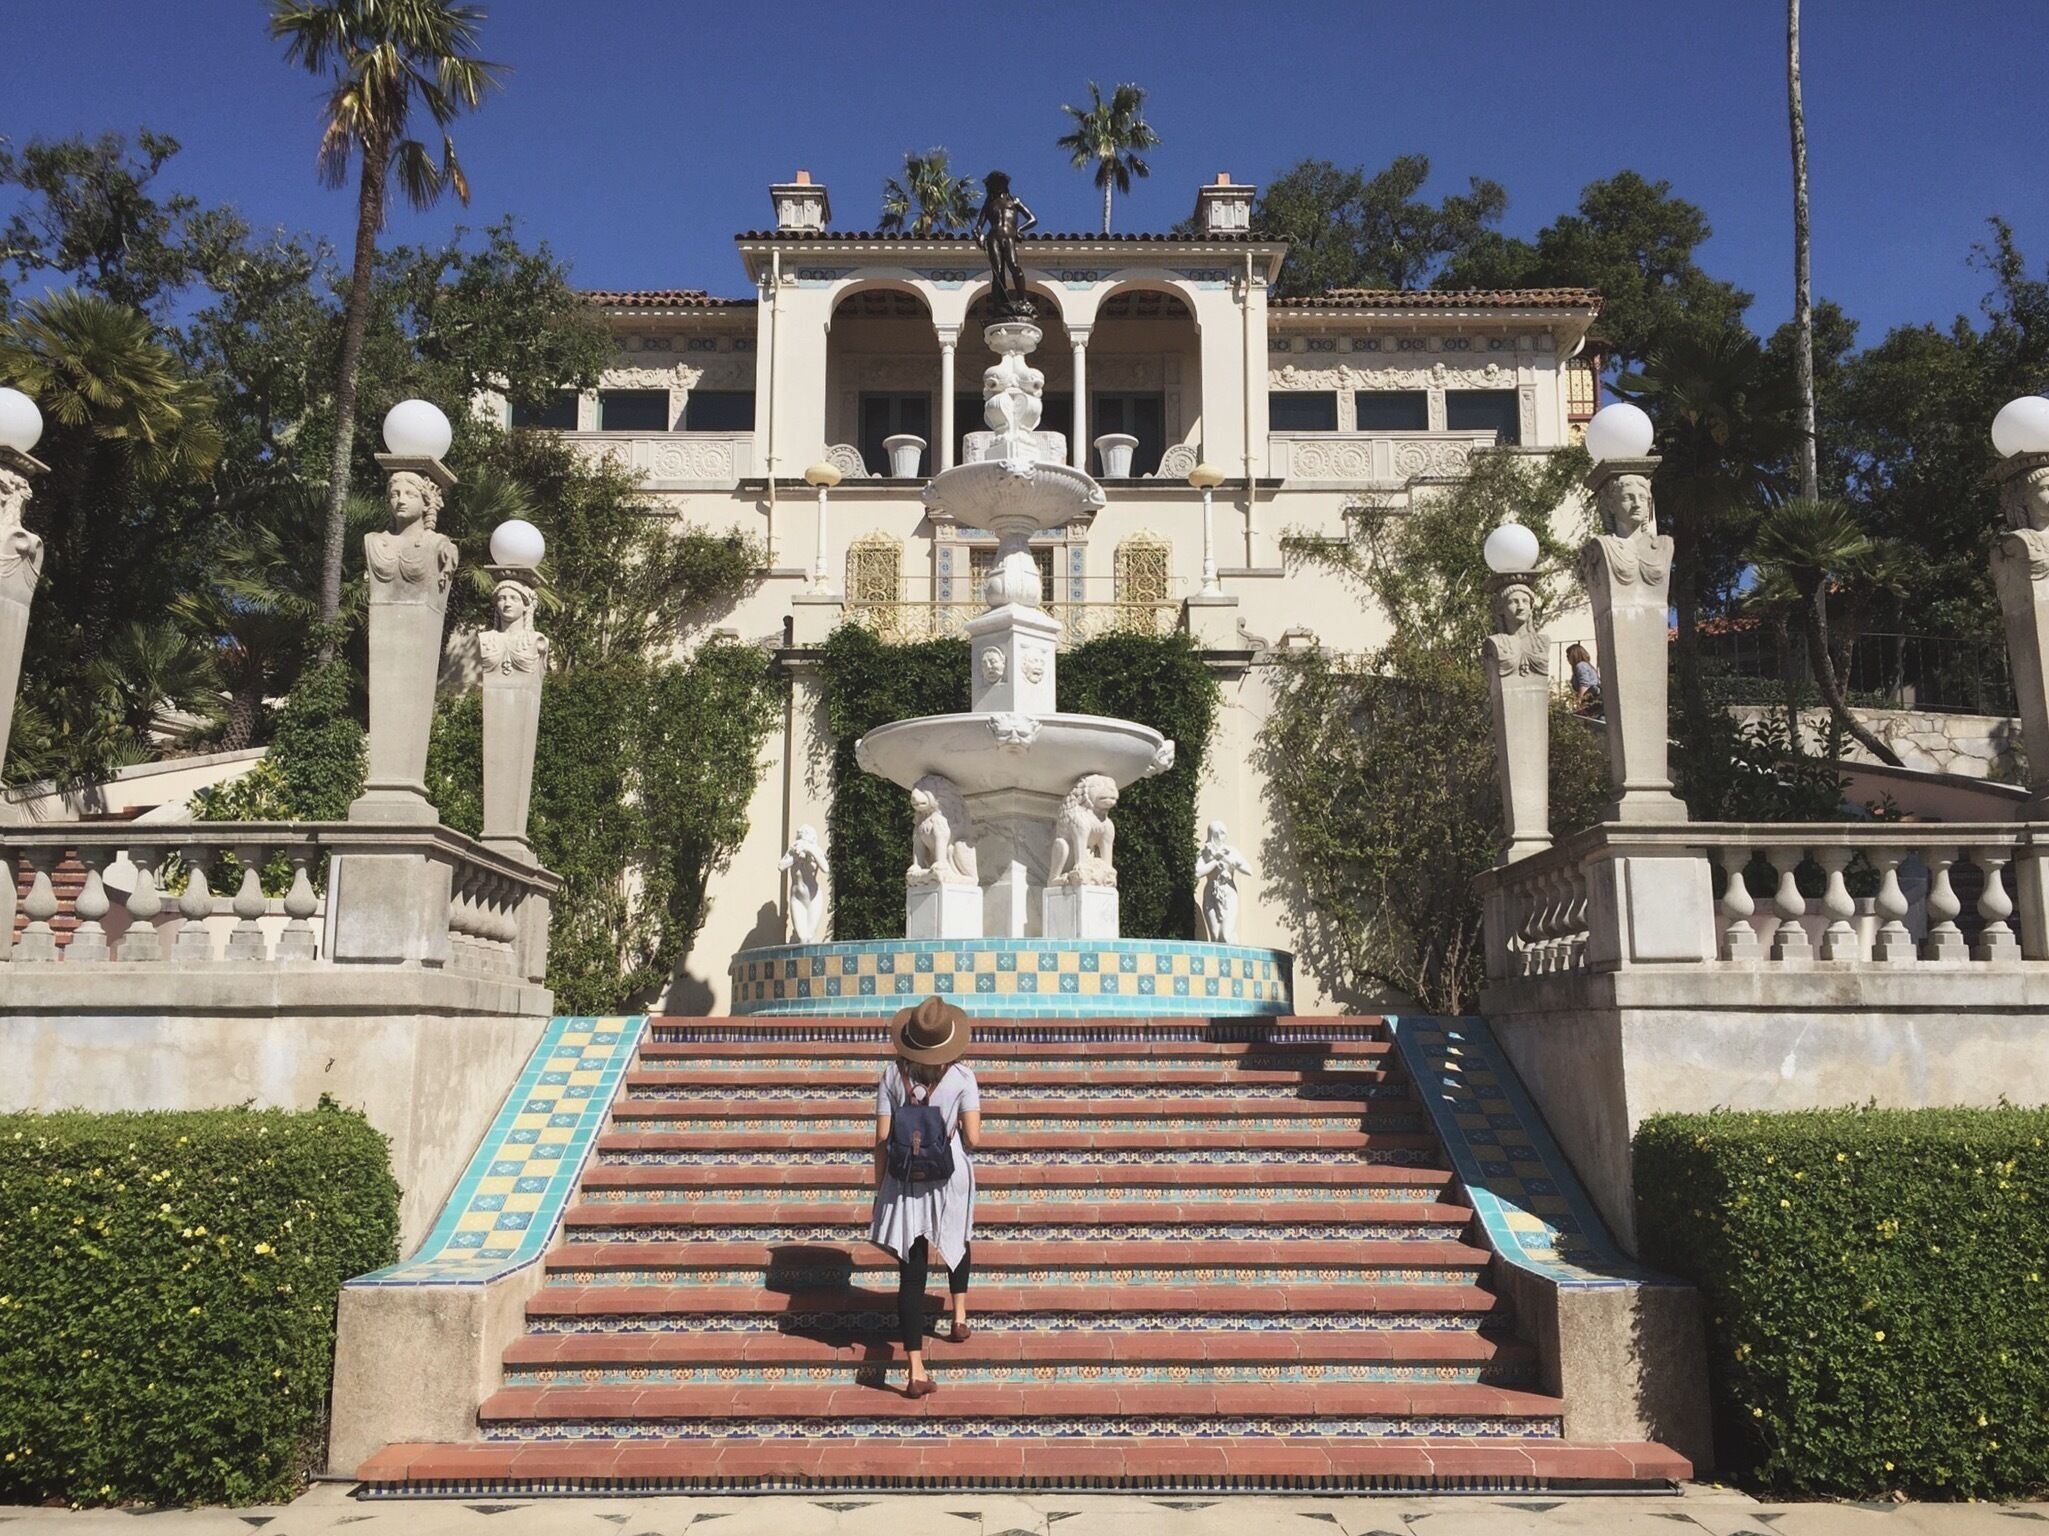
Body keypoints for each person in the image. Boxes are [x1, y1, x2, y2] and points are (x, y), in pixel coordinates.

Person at [870, 996, 981, 1398]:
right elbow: (973, 1138)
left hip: (904, 1179)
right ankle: (958, 1316)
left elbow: (882, 1138)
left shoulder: (890, 1075)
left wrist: (880, 1184)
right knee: (958, 1237)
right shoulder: (963, 1077)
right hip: (948, 1173)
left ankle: (915, 1370)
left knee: (911, 1272)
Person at [1567, 642, 1602, 716]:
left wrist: (1579, 701)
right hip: (1593, 698)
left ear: (1574, 655)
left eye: (1568, 655)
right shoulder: (1585, 665)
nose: (1567, 659)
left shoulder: (1580, 666)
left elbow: (1584, 685)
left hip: (1591, 700)